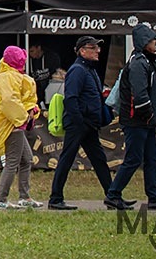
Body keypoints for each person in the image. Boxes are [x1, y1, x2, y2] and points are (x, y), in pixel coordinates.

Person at [105, 24, 156, 211]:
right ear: (143, 42)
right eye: (152, 39)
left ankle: (155, 196)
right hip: (137, 120)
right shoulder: (139, 63)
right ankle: (113, 195)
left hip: (142, 120)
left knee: (152, 157)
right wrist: (148, 113)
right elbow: (139, 94)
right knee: (134, 158)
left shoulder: (144, 61)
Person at [47, 37, 113, 209]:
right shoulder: (78, 70)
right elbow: (71, 98)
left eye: (98, 47)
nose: (98, 50)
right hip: (80, 123)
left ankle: (113, 195)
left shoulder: (88, 69)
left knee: (99, 160)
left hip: (88, 124)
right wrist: (79, 120)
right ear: (82, 51)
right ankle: (55, 199)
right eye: (93, 47)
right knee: (67, 159)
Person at [0, 44, 41, 209]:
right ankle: (1, 199)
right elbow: (9, 101)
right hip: (11, 125)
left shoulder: (4, 75)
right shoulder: (9, 77)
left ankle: (24, 196)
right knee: (13, 161)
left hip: (13, 124)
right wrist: (22, 117)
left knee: (26, 160)